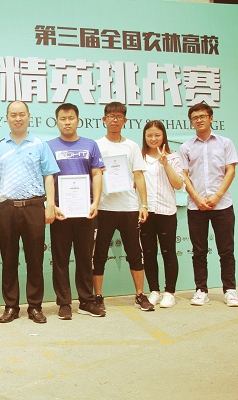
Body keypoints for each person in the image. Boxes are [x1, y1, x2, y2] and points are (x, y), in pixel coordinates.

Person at [0, 101, 59, 324]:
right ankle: (11, 306)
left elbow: (49, 175)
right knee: (8, 259)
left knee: (35, 259)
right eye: (13, 115)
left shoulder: (39, 144)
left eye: (22, 114)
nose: (18, 118)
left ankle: (35, 306)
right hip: (6, 208)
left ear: (28, 116)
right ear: (7, 118)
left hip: (34, 207)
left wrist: (50, 204)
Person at [92, 102, 154, 312]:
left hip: (129, 207)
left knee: (135, 253)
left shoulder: (132, 146)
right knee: (99, 254)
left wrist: (143, 204)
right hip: (104, 207)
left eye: (119, 116)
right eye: (111, 116)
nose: (115, 120)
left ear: (125, 121)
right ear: (104, 119)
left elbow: (139, 176)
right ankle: (98, 296)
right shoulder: (96, 145)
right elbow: (93, 175)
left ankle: (140, 295)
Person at [47, 103, 105, 320]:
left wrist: (95, 202)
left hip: (85, 211)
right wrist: (52, 205)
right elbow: (47, 178)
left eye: (71, 118)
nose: (67, 122)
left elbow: (97, 174)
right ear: (56, 122)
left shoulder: (90, 145)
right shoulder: (49, 146)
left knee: (84, 258)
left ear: (78, 120)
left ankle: (86, 301)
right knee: (60, 259)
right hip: (60, 212)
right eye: (63, 119)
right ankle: (64, 303)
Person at [178, 102, 238, 307]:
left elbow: (230, 171)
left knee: (226, 250)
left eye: (202, 116)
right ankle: (201, 290)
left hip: (222, 205)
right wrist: (197, 198)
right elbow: (184, 176)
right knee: (199, 251)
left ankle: (230, 290)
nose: (199, 120)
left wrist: (217, 195)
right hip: (196, 207)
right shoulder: (186, 147)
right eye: (195, 118)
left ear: (211, 118)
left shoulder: (225, 143)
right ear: (191, 122)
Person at [140, 120, 184, 308]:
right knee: (149, 253)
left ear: (163, 136)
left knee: (168, 252)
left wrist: (166, 164)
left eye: (157, 135)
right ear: (144, 137)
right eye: (149, 135)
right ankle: (154, 291)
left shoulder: (173, 158)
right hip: (146, 212)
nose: (153, 138)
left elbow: (179, 184)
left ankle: (170, 292)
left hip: (166, 211)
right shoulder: (140, 157)